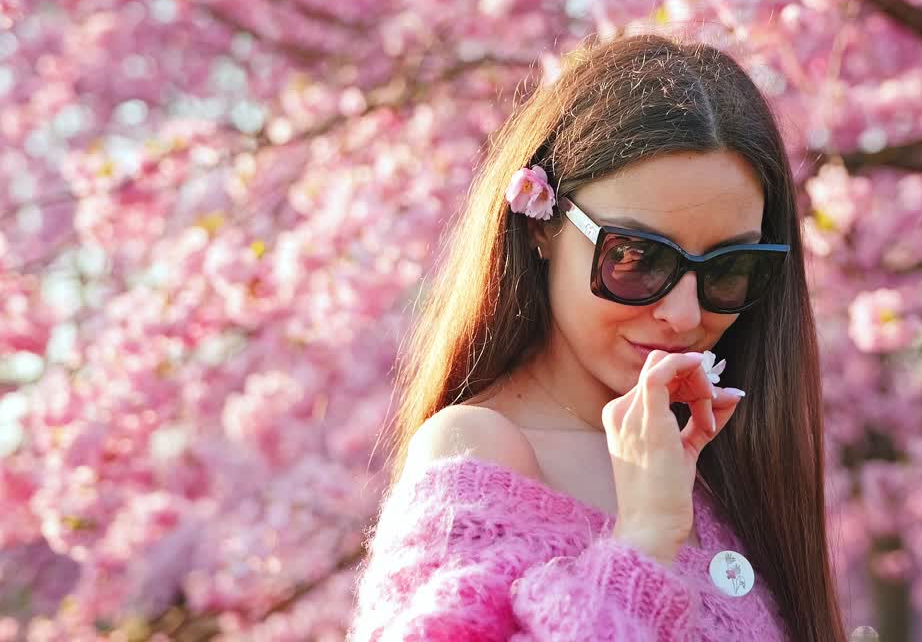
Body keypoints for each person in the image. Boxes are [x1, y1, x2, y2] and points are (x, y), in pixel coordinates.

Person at [347, 33, 850, 641]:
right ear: (542, 227)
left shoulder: (725, 455)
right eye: (637, 257)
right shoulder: (477, 450)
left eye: (729, 269)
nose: (684, 314)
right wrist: (641, 542)